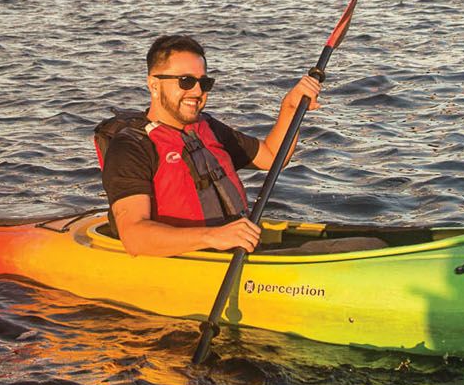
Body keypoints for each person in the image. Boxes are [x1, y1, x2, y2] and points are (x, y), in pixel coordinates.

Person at [93, 34, 322, 258]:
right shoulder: (131, 147)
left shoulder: (207, 128)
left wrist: (290, 107)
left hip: (233, 250)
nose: (197, 92)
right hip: (186, 259)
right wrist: (213, 236)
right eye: (186, 81)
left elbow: (272, 157)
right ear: (154, 85)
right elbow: (134, 236)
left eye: (204, 83)